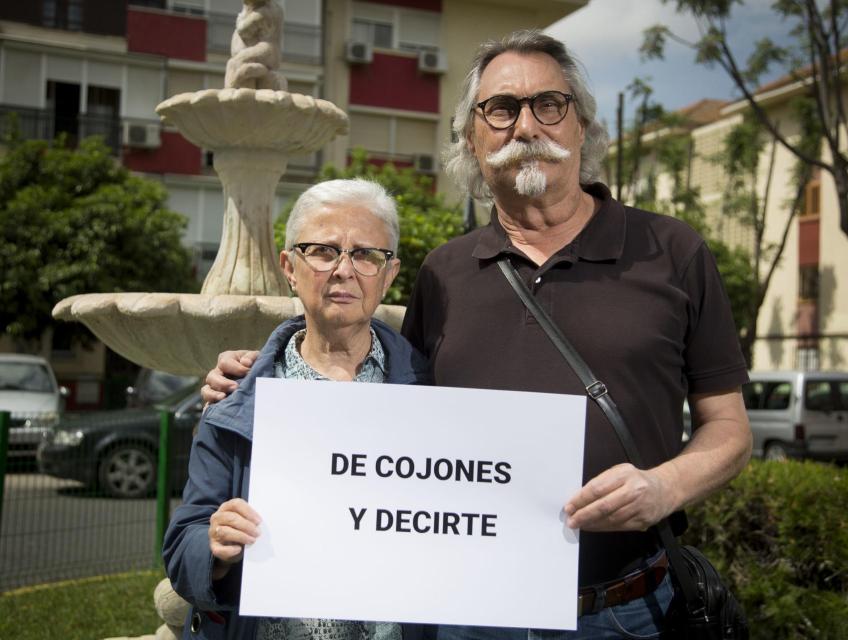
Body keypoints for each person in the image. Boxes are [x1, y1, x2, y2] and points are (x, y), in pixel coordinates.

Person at [202, 30, 752, 639]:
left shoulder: (672, 251)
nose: (526, 126)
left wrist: (663, 485)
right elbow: (381, 404)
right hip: (469, 614)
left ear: (581, 127)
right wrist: (260, 377)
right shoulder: (445, 270)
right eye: (501, 109)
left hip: (625, 612)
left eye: (549, 104)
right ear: (472, 137)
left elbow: (729, 430)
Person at [163, 179, 430, 640]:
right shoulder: (238, 398)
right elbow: (183, 544)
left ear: (389, 275)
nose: (344, 270)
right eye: (323, 251)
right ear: (289, 267)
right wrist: (213, 549)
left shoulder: (434, 399)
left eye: (367, 255)